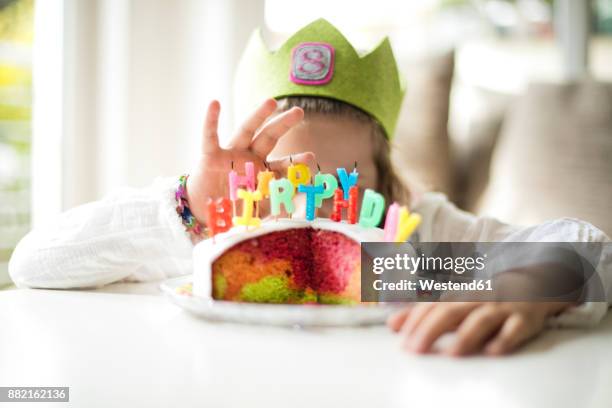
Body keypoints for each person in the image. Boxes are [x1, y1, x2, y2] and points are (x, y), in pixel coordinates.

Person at [9, 19, 611, 356]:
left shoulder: (419, 250)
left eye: (337, 187)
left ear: (388, 190)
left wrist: (540, 277)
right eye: (284, 183)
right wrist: (190, 207)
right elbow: (36, 263)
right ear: (244, 188)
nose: (310, 211)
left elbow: (597, 255)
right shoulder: (216, 240)